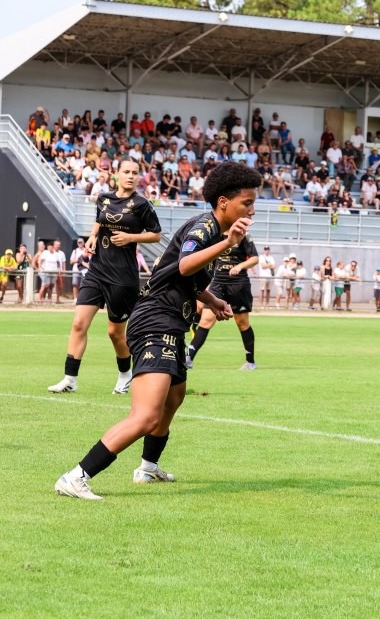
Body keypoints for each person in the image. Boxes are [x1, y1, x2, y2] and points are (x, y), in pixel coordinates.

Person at [54, 161, 260, 500]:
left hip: (171, 322)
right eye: (247, 202)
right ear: (224, 202)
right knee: (147, 415)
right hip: (155, 321)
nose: (252, 210)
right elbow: (185, 264)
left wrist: (213, 301)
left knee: (174, 398)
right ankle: (76, 476)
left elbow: (188, 279)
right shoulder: (205, 228)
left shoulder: (213, 230)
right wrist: (228, 243)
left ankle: (148, 468)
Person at [48, 159, 162, 395]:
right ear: (116, 174)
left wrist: (131, 238)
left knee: (115, 332)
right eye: (126, 172)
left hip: (122, 276)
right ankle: (70, 379)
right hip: (96, 270)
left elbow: (156, 235)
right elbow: (99, 220)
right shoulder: (104, 198)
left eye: (135, 173)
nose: (130, 176)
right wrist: (92, 236)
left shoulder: (142, 204)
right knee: (78, 323)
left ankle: (125, 375)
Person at [185, 234, 259, 370]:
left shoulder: (243, 236)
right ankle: (188, 358)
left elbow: (255, 258)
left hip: (238, 283)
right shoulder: (215, 235)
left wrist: (240, 266)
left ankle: (250, 362)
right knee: (206, 320)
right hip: (218, 282)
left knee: (242, 323)